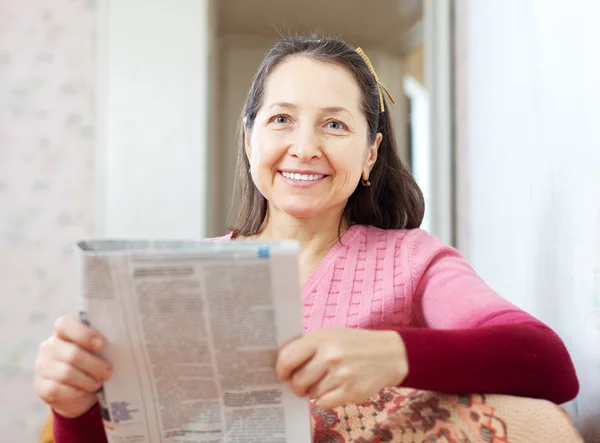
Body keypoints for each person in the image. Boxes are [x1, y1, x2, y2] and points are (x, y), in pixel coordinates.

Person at [34, 34, 579, 442]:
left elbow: (549, 364)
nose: (304, 147)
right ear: (249, 140)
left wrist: (394, 354)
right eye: (281, 120)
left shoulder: (412, 258)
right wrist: (72, 405)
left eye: (335, 125)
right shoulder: (179, 278)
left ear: (370, 153)